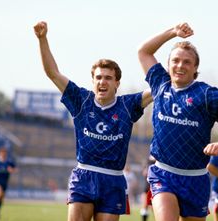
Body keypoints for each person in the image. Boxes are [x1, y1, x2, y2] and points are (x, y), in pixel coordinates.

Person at [34, 21, 152, 221]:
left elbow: (158, 89)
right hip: (84, 176)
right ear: (92, 80)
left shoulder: (128, 105)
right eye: (98, 77)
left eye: (108, 78)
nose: (102, 82)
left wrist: (176, 72)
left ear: (117, 83)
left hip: (113, 180)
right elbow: (52, 73)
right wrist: (42, 39)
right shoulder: (81, 100)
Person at [137, 22, 218, 221]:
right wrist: (173, 33)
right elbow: (144, 51)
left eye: (187, 62)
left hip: (196, 178)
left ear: (195, 67)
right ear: (169, 64)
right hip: (163, 173)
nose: (180, 66)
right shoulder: (159, 83)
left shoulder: (206, 93)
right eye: (176, 61)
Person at [0, 146, 17, 219]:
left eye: (5, 153)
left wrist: (11, 170)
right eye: (2, 153)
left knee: (1, 199)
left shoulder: (9, 162)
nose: (4, 155)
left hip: (5, 182)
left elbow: (15, 169)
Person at [140, 155, 155, 221]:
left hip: (155, 187)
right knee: (145, 205)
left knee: (154, 207)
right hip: (147, 186)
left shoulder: (158, 161)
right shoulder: (148, 161)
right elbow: (144, 172)